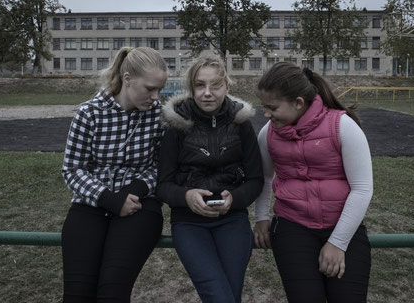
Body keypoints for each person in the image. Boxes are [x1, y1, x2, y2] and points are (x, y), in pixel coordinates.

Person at [253, 62, 373, 303]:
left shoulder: (343, 126)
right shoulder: (268, 133)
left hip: (342, 228)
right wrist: (261, 218)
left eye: (272, 108)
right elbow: (265, 178)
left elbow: (362, 188)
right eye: (264, 107)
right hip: (292, 227)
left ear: (298, 103)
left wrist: (337, 243)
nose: (266, 114)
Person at [60, 46, 168, 302]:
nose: (155, 97)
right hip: (91, 204)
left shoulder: (160, 115)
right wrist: (109, 198)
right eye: (150, 88)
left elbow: (163, 166)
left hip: (140, 206)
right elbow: (72, 169)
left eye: (159, 90)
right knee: (77, 294)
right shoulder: (89, 112)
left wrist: (135, 191)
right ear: (127, 78)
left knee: (112, 293)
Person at [156, 57, 263, 303]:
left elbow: (256, 180)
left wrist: (234, 198)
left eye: (215, 85)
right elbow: (163, 185)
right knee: (219, 296)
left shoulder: (241, 125)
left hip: (232, 221)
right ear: (191, 88)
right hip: (189, 224)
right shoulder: (176, 126)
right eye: (199, 85)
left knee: (230, 296)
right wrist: (186, 196)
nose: (207, 93)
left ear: (226, 85)